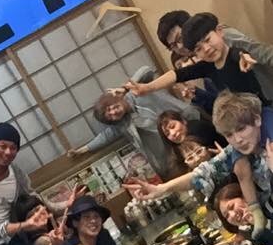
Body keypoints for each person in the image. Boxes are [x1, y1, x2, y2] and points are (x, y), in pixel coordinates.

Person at [129, 13, 273, 233]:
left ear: (219, 32)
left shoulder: (233, 52)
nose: (205, 48)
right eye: (197, 48)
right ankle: (257, 213)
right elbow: (176, 74)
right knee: (240, 167)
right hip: (238, 121)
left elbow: (245, 53)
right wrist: (147, 88)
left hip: (260, 112)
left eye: (206, 40)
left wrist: (247, 58)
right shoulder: (207, 68)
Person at [126, 92, 273, 238]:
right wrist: (162, 189)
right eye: (229, 135)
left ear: (257, 120)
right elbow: (203, 173)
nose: (237, 139)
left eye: (241, 129)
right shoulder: (238, 152)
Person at [157, 9, 273, 123]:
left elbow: (262, 51)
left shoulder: (221, 36)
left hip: (272, 107)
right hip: (250, 122)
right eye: (173, 45)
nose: (180, 46)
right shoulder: (201, 57)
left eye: (180, 38)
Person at [67, 66, 198, 172]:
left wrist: (125, 88)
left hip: (190, 120)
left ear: (111, 99)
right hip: (178, 144)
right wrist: (82, 150)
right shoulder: (124, 124)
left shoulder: (137, 90)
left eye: (109, 108)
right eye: (110, 116)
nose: (113, 112)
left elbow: (146, 70)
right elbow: (105, 137)